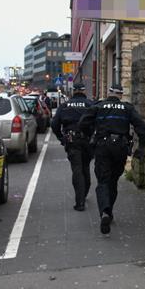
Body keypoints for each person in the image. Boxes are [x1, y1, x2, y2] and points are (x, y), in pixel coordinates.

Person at [79, 84, 145, 234]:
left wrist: (92, 136)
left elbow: (82, 123)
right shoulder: (127, 108)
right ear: (121, 95)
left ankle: (105, 211)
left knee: (103, 180)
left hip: (102, 146)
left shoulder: (98, 106)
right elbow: (141, 127)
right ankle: (109, 210)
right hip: (121, 147)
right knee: (113, 181)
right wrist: (141, 147)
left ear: (109, 93)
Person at [52, 83, 94, 211]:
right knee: (86, 167)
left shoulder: (64, 106)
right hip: (87, 140)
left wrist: (61, 138)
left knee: (77, 169)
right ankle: (84, 193)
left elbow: (54, 124)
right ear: (83, 91)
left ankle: (80, 202)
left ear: (73, 92)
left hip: (72, 141)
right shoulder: (90, 104)